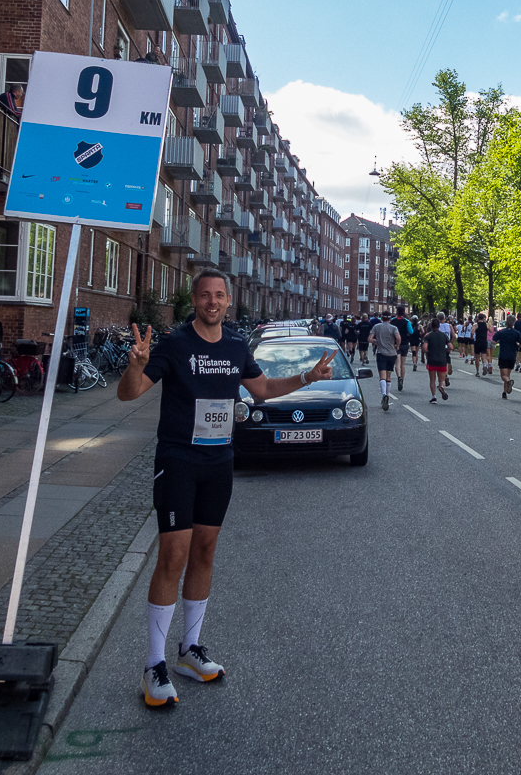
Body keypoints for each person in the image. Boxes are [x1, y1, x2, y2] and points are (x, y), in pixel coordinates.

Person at [118, 268, 334, 708]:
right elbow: (131, 393)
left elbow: (264, 389)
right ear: (194, 300)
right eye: (204, 295)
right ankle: (154, 663)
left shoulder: (237, 345)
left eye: (219, 295)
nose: (212, 302)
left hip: (219, 463)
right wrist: (134, 366)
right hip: (178, 461)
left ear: (228, 301)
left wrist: (307, 378)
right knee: (173, 555)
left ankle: (189, 651)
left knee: (205, 551)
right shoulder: (176, 344)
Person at [368, 312, 401, 411]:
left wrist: (375, 341)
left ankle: (383, 395)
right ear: (390, 318)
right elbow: (398, 337)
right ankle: (387, 394)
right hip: (392, 354)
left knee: (382, 376)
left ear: (381, 318)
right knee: (388, 376)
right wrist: (397, 346)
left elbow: (369, 339)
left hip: (381, 353)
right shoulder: (394, 328)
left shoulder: (376, 327)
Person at [493, 315, 521, 399]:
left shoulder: (501, 332)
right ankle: (504, 392)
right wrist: (517, 344)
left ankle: (508, 382)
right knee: (508, 374)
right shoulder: (516, 333)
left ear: (506, 322)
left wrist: (498, 341)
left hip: (503, 355)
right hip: (512, 356)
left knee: (503, 375)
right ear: (514, 322)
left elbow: (493, 341)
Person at [423, 319, 450, 403]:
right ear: (439, 326)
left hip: (432, 359)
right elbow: (451, 347)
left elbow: (424, 347)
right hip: (442, 359)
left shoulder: (428, 336)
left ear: (431, 326)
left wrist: (427, 352)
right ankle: (441, 386)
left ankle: (434, 397)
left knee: (432, 379)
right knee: (441, 379)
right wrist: (446, 350)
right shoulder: (444, 336)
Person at [392, 306, 413, 391]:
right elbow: (411, 331)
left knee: (397, 363)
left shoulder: (393, 321)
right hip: (404, 343)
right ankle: (402, 380)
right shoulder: (407, 321)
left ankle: (399, 377)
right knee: (403, 364)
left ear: (396, 312)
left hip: (395, 344)